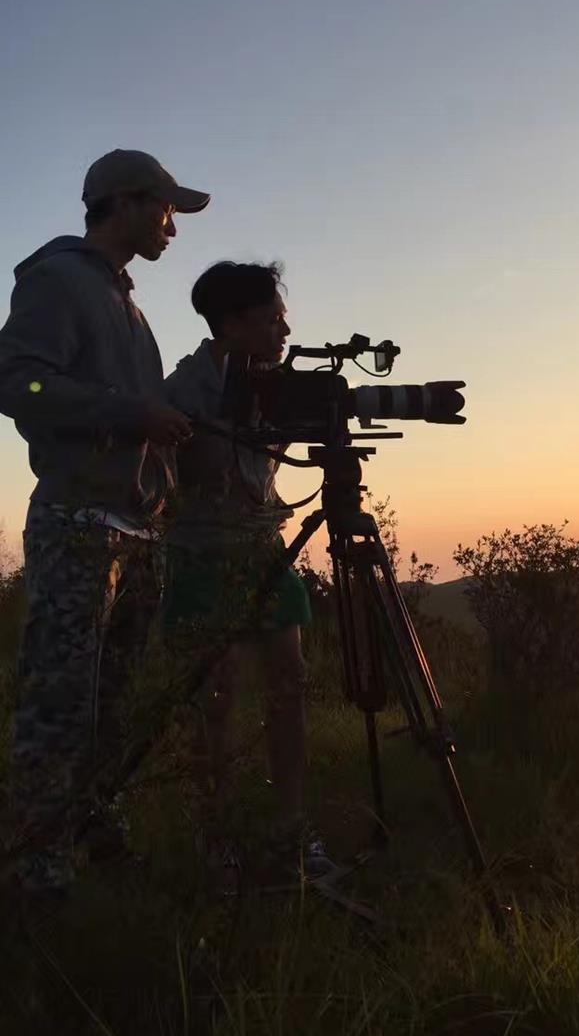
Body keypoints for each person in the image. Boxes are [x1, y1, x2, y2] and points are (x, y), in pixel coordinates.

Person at [0, 149, 209, 897]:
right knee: (60, 704)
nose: (172, 229)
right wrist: (130, 413)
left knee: (112, 701)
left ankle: (92, 827)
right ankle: (35, 873)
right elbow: (17, 381)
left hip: (133, 529)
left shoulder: (128, 304)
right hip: (79, 523)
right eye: (165, 210)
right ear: (123, 201)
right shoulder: (57, 282)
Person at [163, 260, 333, 886]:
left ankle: (292, 827)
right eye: (271, 318)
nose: (284, 328)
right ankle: (217, 837)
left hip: (263, 546)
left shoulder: (274, 382)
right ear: (231, 323)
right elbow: (158, 473)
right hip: (200, 551)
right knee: (216, 699)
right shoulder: (184, 390)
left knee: (289, 685)